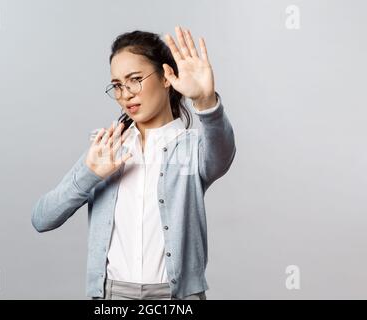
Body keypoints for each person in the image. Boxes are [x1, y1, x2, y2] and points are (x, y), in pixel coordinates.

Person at [31, 26, 236, 300]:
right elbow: (42, 219)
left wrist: (206, 102)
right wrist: (89, 174)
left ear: (166, 77)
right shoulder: (107, 149)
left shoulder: (190, 147)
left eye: (135, 79)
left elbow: (221, 154)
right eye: (117, 85)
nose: (126, 94)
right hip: (112, 296)